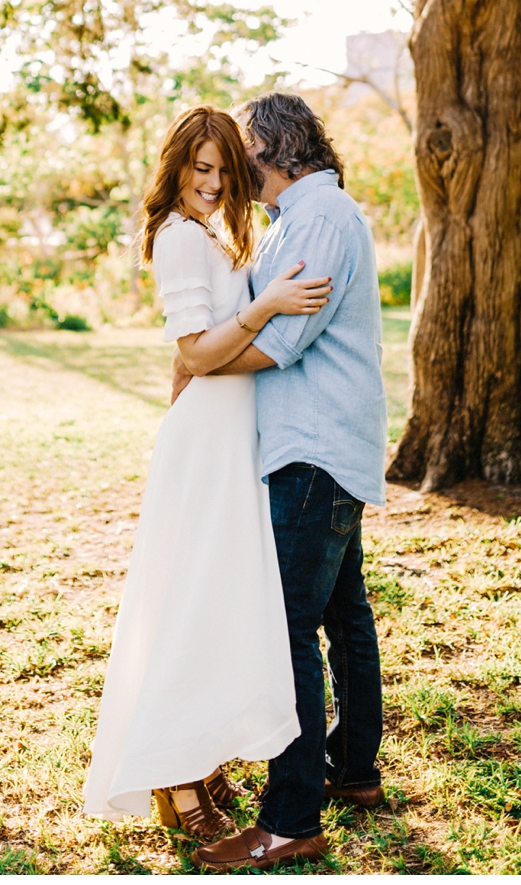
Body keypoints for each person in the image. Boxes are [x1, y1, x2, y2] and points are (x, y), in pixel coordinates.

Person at [82, 104, 334, 842]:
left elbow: (183, 366)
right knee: (192, 605)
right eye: (200, 169)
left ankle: (197, 750)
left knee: (218, 603)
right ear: (176, 169)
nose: (213, 183)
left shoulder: (213, 235)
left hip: (226, 440)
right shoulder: (178, 237)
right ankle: (174, 774)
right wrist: (269, 307)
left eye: (226, 170)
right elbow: (194, 350)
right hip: (211, 441)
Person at [178, 93, 388, 873]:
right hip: (322, 446)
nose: (237, 167)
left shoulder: (320, 221)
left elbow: (282, 343)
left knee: (290, 629)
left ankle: (291, 816)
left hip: (313, 452)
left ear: (274, 147)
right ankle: (353, 770)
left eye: (245, 151)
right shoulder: (300, 220)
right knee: (343, 613)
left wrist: (200, 360)